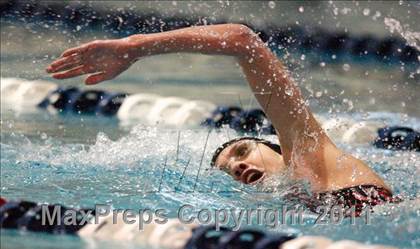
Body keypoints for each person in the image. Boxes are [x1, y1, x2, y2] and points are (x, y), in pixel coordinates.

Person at [46, 23, 395, 211]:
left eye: (241, 153)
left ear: (276, 147)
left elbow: (243, 40)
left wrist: (136, 46)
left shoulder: (308, 152)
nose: (238, 167)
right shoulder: (289, 201)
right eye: (230, 170)